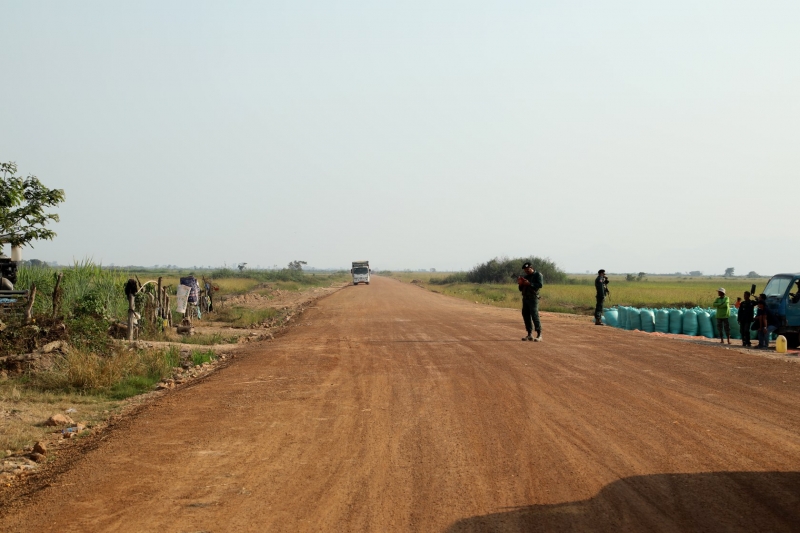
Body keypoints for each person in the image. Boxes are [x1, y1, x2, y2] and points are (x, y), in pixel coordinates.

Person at [518, 262, 543, 341]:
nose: (526, 271)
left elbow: (540, 285)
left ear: (531, 268)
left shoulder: (538, 275)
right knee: (526, 315)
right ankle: (529, 334)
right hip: (525, 298)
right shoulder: (525, 277)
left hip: (533, 298)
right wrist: (521, 284)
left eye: (528, 269)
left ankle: (539, 334)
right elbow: (520, 289)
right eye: (525, 270)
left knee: (534, 316)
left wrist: (529, 283)